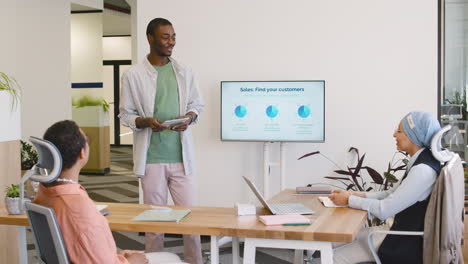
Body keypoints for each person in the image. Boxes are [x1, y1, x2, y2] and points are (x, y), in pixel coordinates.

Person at [34, 120, 183, 264]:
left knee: (169, 257)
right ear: (82, 153)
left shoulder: (45, 192)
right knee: (174, 259)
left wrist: (119, 256)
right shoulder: (78, 207)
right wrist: (130, 262)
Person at [119, 17, 204, 264]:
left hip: (181, 157)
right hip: (152, 159)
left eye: (173, 36)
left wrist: (189, 117)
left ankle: (194, 261)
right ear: (150, 38)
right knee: (154, 222)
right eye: (165, 37)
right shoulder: (133, 75)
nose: (171, 42)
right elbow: (125, 114)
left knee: (191, 219)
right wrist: (145, 122)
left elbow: (197, 105)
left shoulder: (184, 71)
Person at [329, 111, 441, 264]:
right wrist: (354, 195)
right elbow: (391, 194)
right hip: (394, 231)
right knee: (328, 243)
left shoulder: (423, 171)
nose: (394, 134)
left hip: (401, 242)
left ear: (414, 137)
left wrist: (349, 199)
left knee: (329, 257)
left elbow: (384, 209)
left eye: (400, 131)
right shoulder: (421, 162)